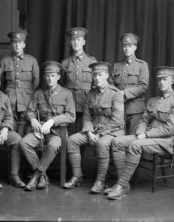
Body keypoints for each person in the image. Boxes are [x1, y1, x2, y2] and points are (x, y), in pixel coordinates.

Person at [106, 66, 174, 200]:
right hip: (146, 136)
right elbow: (143, 120)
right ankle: (123, 184)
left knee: (135, 145)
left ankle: (120, 186)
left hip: (166, 141)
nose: (161, 82)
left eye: (165, 79)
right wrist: (141, 132)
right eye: (159, 79)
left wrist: (146, 135)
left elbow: (170, 129)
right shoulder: (153, 100)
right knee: (117, 142)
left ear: (171, 81)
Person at [63, 62, 125, 193]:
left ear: (107, 75)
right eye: (94, 75)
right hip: (94, 130)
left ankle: (100, 181)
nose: (97, 78)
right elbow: (86, 116)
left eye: (100, 75)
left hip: (113, 131)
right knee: (71, 140)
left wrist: (100, 134)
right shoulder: (90, 94)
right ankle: (77, 176)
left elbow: (117, 121)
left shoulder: (116, 94)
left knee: (102, 144)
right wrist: (90, 132)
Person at [19, 61, 76, 191]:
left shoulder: (66, 94)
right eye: (47, 75)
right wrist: (32, 119)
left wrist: (53, 121)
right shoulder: (39, 93)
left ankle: (35, 177)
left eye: (53, 75)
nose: (50, 78)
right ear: (44, 77)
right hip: (40, 130)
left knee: (53, 146)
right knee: (23, 143)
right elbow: (30, 111)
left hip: (57, 132)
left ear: (58, 77)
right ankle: (43, 176)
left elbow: (71, 116)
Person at [0, 30, 40, 136]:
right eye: (14, 42)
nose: (17, 45)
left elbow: (36, 81)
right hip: (9, 97)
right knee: (9, 125)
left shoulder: (32, 61)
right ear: (11, 44)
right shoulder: (4, 61)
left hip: (27, 99)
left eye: (20, 42)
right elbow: (1, 82)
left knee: (25, 127)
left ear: (24, 44)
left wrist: (28, 93)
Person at [109, 32, 149, 135]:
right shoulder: (116, 65)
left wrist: (124, 93)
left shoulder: (142, 65)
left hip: (135, 110)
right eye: (124, 46)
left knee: (131, 141)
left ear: (135, 47)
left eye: (130, 46)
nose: (127, 48)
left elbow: (143, 87)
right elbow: (111, 85)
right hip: (118, 110)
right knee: (117, 141)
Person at [61, 27, 97, 135]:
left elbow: (95, 85)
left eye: (79, 39)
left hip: (86, 103)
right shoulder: (65, 63)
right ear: (70, 42)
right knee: (69, 136)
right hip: (69, 105)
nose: (76, 42)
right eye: (73, 40)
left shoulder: (92, 62)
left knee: (85, 135)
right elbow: (61, 84)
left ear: (84, 42)